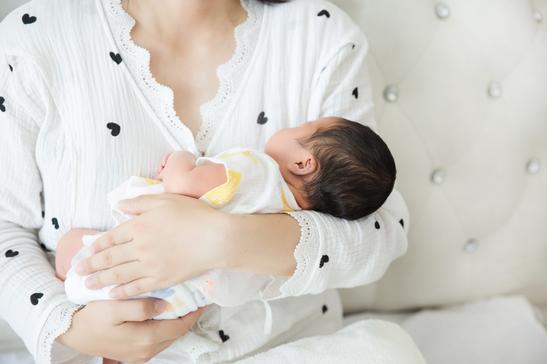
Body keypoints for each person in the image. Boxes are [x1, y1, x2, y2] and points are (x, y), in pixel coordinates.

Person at [0, 0, 410, 363]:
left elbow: (379, 229)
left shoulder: (320, 34)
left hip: (291, 347)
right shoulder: (34, 37)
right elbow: (5, 225)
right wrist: (67, 326)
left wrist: (222, 239)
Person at [56, 117, 397, 322]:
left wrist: (182, 157)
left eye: (301, 127)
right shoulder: (290, 216)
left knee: (73, 252)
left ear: (303, 164)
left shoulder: (256, 171)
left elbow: (183, 183)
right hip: (182, 299)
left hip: (138, 254)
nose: (289, 126)